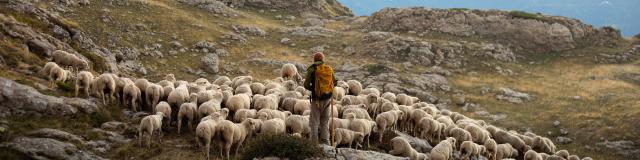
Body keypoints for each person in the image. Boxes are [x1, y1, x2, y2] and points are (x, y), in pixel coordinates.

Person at [303, 52, 337, 144]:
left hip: (316, 99)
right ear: (323, 59)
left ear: (314, 59)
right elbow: (335, 82)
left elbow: (306, 84)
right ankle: (326, 141)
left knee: (314, 121)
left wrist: (314, 89)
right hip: (327, 99)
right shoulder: (328, 68)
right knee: (325, 121)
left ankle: (314, 143)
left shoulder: (312, 69)